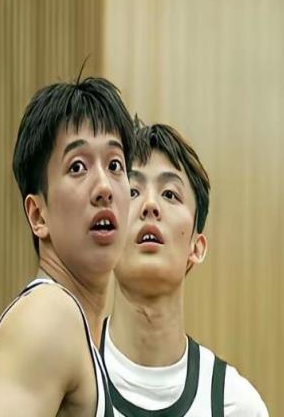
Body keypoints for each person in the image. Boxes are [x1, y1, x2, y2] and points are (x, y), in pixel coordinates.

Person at [0, 76, 134, 416]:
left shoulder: (83, 334)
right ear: (38, 215)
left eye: (115, 165)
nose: (104, 187)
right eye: (77, 167)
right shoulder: (49, 315)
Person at [100, 122, 268, 416]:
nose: (150, 205)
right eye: (133, 191)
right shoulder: (68, 381)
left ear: (196, 247)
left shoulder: (236, 404)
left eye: (169, 194)